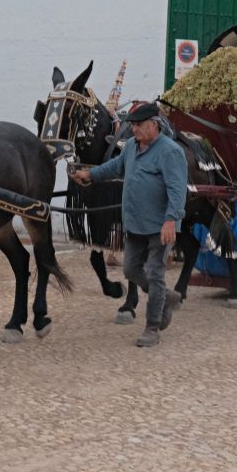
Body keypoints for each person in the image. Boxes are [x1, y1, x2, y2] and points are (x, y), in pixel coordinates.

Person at [72, 101, 187, 348]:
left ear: (154, 125)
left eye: (138, 125)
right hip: (135, 223)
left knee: (155, 274)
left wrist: (171, 220)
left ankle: (152, 327)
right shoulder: (132, 147)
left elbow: (177, 190)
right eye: (132, 125)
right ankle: (166, 297)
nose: (133, 130)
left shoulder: (170, 152)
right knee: (131, 270)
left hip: (160, 226)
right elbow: (115, 167)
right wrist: (90, 175)